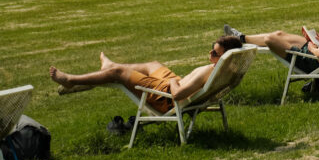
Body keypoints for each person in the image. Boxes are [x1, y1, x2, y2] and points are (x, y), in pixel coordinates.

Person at [49, 36, 242, 112]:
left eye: (214, 53)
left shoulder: (210, 71)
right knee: (153, 65)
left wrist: (174, 83)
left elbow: (177, 95)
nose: (210, 54)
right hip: (175, 84)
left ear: (225, 56)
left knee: (119, 73)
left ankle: (71, 80)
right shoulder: (224, 69)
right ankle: (109, 67)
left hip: (167, 96)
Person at [223, 0, 319, 71]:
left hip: (313, 62)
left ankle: (238, 40)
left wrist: (314, 47)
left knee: (270, 39)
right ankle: (241, 37)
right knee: (279, 33)